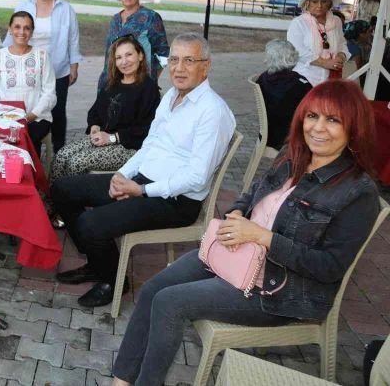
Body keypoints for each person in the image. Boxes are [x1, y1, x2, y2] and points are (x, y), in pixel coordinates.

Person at [111, 79, 380, 386]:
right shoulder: (293, 155)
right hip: (235, 254)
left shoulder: (358, 193)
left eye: (333, 120)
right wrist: (238, 212)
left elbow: (329, 267)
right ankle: (121, 382)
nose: (318, 128)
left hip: (278, 290)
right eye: (312, 116)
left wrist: (262, 237)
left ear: (353, 127)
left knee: (170, 302)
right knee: (152, 289)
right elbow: (252, 193)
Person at [52, 33, 235, 307]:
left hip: (175, 200)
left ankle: (112, 281)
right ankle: (98, 262)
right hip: (141, 181)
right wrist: (122, 175)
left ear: (205, 66)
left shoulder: (213, 111)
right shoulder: (171, 96)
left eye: (189, 60)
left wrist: (142, 190)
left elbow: (197, 177)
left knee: (91, 223)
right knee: (62, 190)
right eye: (174, 60)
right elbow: (149, 145)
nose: (179, 68)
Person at [50, 35, 160, 183]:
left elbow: (146, 129)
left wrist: (111, 138)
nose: (124, 61)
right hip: (103, 138)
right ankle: (53, 195)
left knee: (76, 162)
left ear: (140, 55)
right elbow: (95, 111)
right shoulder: (113, 84)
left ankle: (73, 196)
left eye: (129, 55)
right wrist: (95, 126)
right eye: (119, 57)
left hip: (130, 147)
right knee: (61, 155)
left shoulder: (149, 89)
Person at [6, 0, 81, 153]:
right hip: (28, 68)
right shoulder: (23, 5)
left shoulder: (66, 9)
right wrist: (2, 58)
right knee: (33, 110)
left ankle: (59, 151)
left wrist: (74, 66)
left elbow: (73, 39)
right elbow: (13, 34)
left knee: (57, 110)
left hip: (58, 69)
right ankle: (32, 149)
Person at [0, 11, 57, 156]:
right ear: (10, 29)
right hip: (4, 117)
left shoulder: (42, 56)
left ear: (32, 31)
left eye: (27, 28)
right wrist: (6, 115)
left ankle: (29, 169)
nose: (22, 32)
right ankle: (5, 167)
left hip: (36, 118)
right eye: (17, 27)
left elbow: (50, 93)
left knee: (26, 138)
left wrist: (31, 115)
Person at [98, 0, 169, 89]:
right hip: (110, 85)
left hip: (139, 87)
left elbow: (163, 55)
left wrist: (149, 80)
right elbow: (109, 56)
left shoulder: (151, 17)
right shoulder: (115, 19)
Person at [287, 0, 350, 86]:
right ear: (308, 2)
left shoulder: (336, 21)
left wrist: (341, 57)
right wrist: (325, 63)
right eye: (314, 1)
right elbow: (297, 51)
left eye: (324, 1)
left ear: (329, 2)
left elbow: (342, 43)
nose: (319, 6)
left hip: (332, 79)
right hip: (305, 79)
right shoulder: (298, 23)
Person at [256, 39, 312, 150]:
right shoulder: (299, 84)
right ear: (292, 57)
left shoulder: (263, 78)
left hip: (269, 133)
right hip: (288, 137)